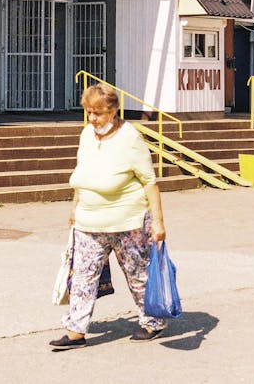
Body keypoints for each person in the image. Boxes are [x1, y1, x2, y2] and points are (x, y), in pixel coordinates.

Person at [50, 82, 167, 350]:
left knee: (138, 276)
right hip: (89, 220)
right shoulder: (86, 135)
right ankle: (76, 331)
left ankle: (152, 321)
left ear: (113, 111)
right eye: (89, 112)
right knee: (82, 277)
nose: (92, 119)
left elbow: (149, 181)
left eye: (98, 113)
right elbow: (83, 173)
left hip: (129, 222)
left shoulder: (130, 138)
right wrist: (74, 206)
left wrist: (158, 222)